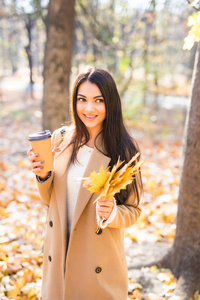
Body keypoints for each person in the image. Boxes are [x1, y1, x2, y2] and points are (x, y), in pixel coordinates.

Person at [27, 67, 142, 300]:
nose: (89, 109)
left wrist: (112, 214)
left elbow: (133, 210)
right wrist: (42, 175)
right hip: (59, 255)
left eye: (98, 100)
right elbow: (49, 200)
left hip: (97, 264)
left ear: (111, 103)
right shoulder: (61, 139)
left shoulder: (124, 149)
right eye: (82, 100)